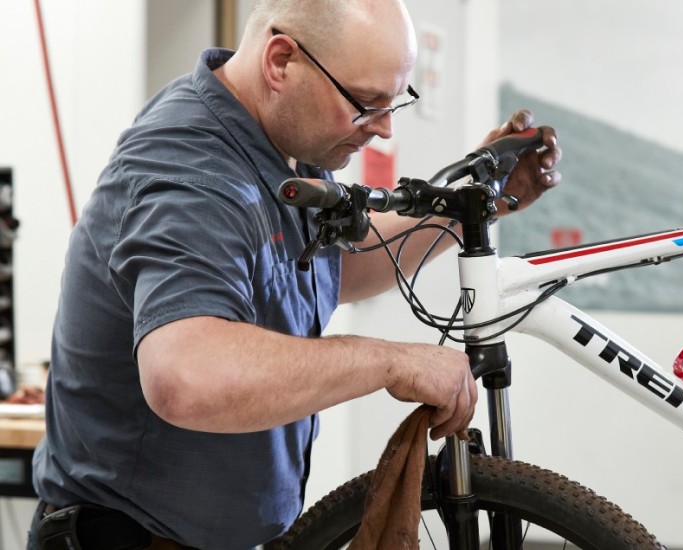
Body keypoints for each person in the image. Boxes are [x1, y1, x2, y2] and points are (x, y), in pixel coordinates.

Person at [28, 0, 561, 548]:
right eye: (365, 103)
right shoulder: (193, 170)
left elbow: (338, 268)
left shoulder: (278, 146)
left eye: (394, 102)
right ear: (281, 61)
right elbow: (186, 376)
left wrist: (469, 205)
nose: (381, 128)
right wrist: (390, 360)